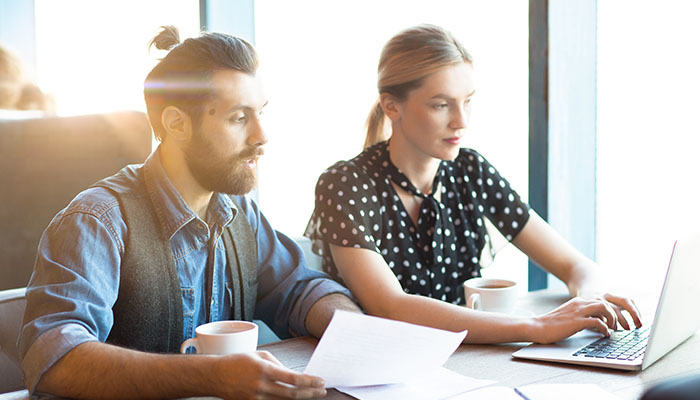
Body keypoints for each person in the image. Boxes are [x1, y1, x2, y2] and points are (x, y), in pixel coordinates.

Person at [19, 26, 360, 400]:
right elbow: (56, 359)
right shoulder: (96, 221)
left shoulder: (237, 211)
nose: (262, 135)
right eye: (238, 118)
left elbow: (300, 289)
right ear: (177, 124)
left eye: (261, 112)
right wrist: (210, 376)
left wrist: (357, 332)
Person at [305, 24, 642, 345]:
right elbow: (390, 306)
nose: (461, 121)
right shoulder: (344, 184)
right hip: (381, 368)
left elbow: (577, 266)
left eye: (467, 101)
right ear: (391, 106)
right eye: (441, 105)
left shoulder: (470, 169)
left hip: (466, 359)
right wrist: (538, 326)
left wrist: (591, 302)